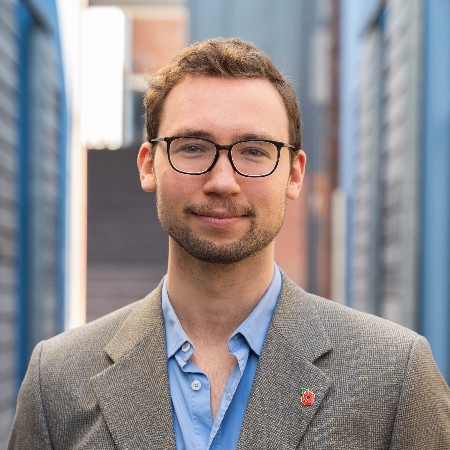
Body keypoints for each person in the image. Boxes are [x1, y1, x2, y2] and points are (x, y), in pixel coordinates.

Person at [8, 38, 449, 450]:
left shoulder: (395, 375)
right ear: (148, 166)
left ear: (294, 174)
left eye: (254, 151)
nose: (222, 181)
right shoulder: (57, 381)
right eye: (193, 147)